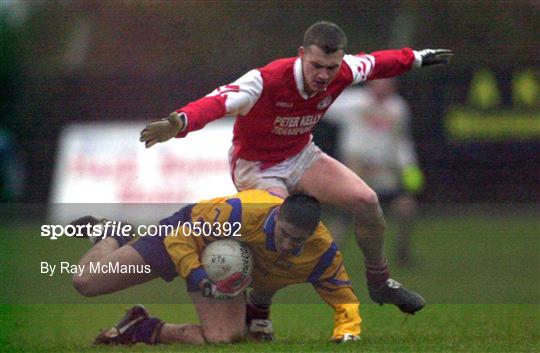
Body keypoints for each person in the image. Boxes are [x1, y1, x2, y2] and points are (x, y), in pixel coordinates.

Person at [139, 21, 450, 314]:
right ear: (302, 55)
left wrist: (418, 58)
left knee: (367, 201)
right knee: (280, 229)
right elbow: (218, 101)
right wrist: (181, 122)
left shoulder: (343, 71)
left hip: (302, 154)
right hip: (257, 166)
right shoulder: (266, 80)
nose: (324, 75)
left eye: (331, 68)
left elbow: (378, 63)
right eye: (316, 66)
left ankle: (380, 283)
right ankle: (259, 307)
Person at [72, 190, 413, 345]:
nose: (289, 246)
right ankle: (111, 234)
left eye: (298, 241)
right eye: (285, 235)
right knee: (85, 283)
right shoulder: (238, 213)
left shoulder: (320, 250)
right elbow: (180, 238)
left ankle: (141, 328)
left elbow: (343, 298)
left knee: (224, 339)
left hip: (222, 266)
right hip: (185, 234)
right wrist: (199, 276)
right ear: (276, 217)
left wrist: (346, 335)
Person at [325, 78, 423, 265]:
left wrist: (409, 168)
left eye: (387, 83)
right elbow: (324, 107)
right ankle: (327, 260)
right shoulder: (354, 101)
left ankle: (403, 254)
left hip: (385, 172)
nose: (383, 87)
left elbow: (401, 141)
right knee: (344, 216)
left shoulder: (398, 107)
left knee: (406, 209)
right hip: (357, 169)